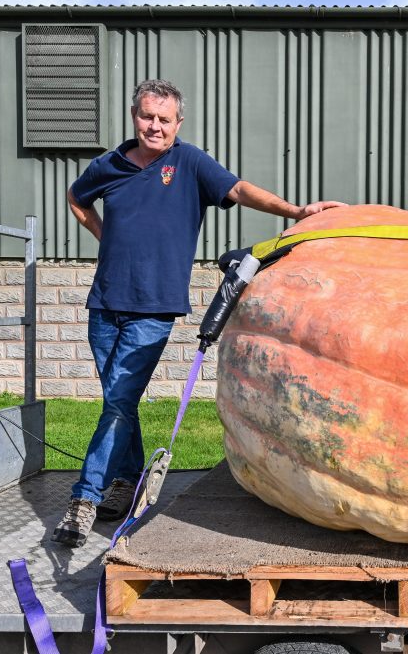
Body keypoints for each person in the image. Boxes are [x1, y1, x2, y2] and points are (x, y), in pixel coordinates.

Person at [53, 79, 344, 547]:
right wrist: (106, 239)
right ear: (134, 116)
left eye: (164, 120)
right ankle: (126, 483)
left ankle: (84, 499)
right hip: (104, 304)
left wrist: (296, 211)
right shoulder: (107, 165)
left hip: (153, 308)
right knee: (118, 404)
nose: (155, 126)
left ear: (177, 123)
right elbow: (76, 197)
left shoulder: (188, 163)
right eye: (148, 116)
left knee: (119, 402)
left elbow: (241, 188)